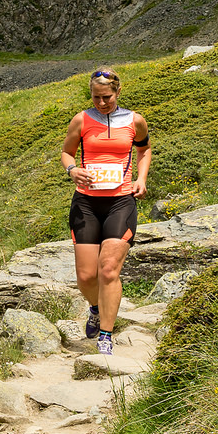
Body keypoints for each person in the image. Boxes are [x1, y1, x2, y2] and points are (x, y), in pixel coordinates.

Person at [60, 69, 152, 356]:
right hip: (86, 203)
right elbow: (66, 153)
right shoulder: (82, 120)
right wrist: (72, 170)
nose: (102, 103)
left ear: (118, 92)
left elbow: (145, 149)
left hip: (121, 201)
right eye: (96, 97)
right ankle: (96, 309)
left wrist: (141, 179)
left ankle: (105, 336)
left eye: (107, 97)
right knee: (87, 277)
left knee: (108, 270)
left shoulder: (135, 120)